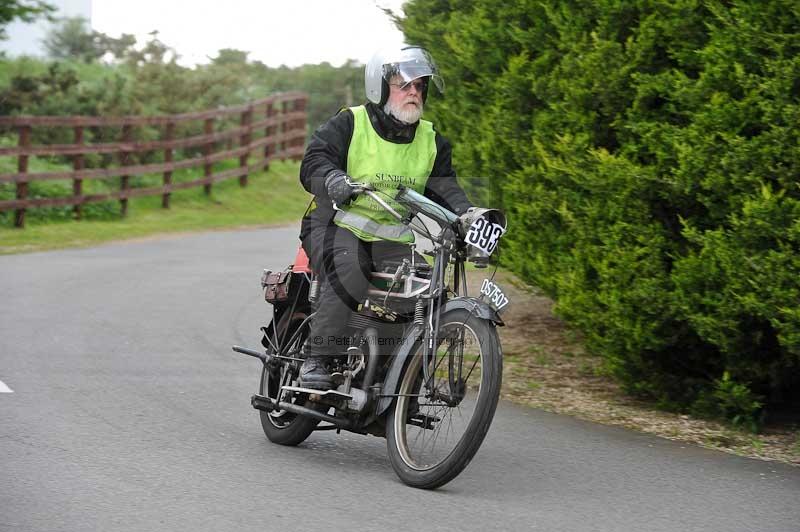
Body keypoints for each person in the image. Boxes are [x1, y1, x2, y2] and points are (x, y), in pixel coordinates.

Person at [297, 45, 472, 390]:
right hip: (336, 225)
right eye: (404, 85)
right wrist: (333, 179)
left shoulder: (431, 140)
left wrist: (467, 215)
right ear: (380, 87)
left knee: (428, 287)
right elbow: (313, 162)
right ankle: (318, 358)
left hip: (391, 239)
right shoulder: (351, 122)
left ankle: (394, 379)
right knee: (350, 268)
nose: (414, 92)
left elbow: (446, 188)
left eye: (419, 86)